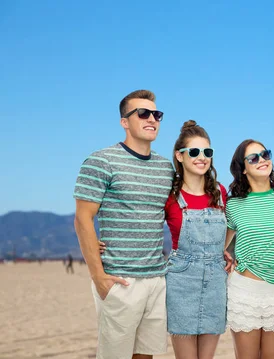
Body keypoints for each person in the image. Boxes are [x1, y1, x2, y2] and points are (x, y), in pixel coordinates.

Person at [74, 89, 172, 359]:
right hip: (120, 278)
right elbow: (83, 218)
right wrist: (98, 276)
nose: (151, 118)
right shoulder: (101, 161)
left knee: (146, 355)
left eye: (156, 114)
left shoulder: (166, 168)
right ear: (124, 122)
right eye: (142, 113)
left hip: (156, 277)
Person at [164, 120, 231, 358]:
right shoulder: (169, 195)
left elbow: (233, 226)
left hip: (215, 281)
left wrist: (223, 250)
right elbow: (145, 227)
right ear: (179, 156)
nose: (201, 157)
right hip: (181, 282)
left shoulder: (221, 193)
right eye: (194, 152)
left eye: (207, 152)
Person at [225, 139, 274, 359]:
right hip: (244, 292)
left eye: (265, 154)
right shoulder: (233, 205)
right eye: (253, 158)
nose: (262, 160)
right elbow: (218, 247)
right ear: (243, 168)